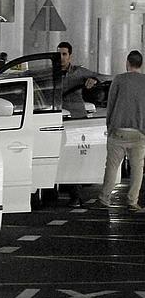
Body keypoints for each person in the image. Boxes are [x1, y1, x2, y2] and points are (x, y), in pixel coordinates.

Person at [97, 50, 145, 212]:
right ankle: (132, 201)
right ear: (141, 64)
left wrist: (109, 126)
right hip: (139, 132)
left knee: (111, 167)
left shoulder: (119, 80)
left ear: (127, 63)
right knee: (137, 168)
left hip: (118, 130)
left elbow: (110, 104)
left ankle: (105, 198)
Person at [57, 41, 101, 207]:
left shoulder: (78, 72)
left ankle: (75, 195)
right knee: (59, 155)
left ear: (70, 56)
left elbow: (98, 77)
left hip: (75, 119)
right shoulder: (52, 73)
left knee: (73, 157)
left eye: (64, 54)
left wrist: (93, 80)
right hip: (58, 118)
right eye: (59, 54)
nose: (61, 58)